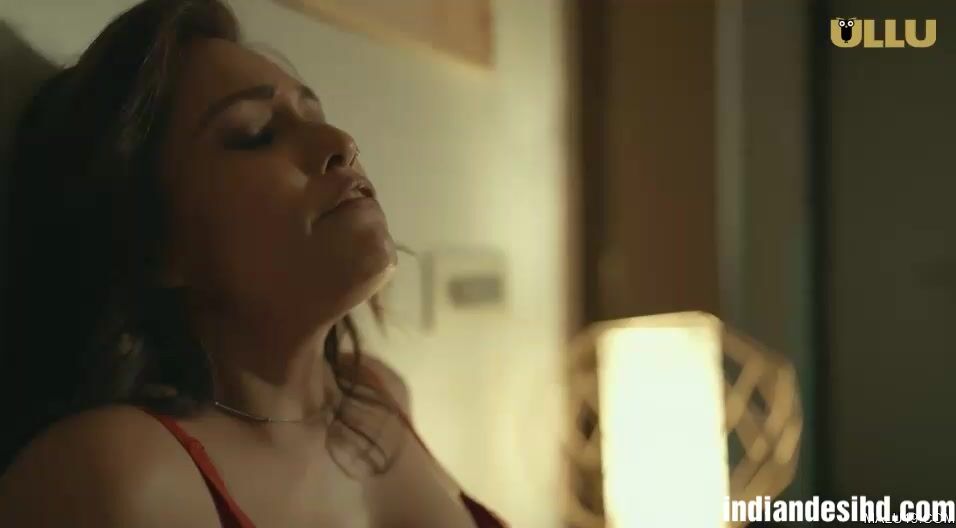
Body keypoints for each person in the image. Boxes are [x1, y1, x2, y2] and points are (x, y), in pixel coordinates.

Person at [0, 0, 506, 526]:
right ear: (152, 242)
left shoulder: (379, 392)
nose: (342, 143)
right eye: (257, 134)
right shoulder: (115, 474)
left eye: (316, 117)